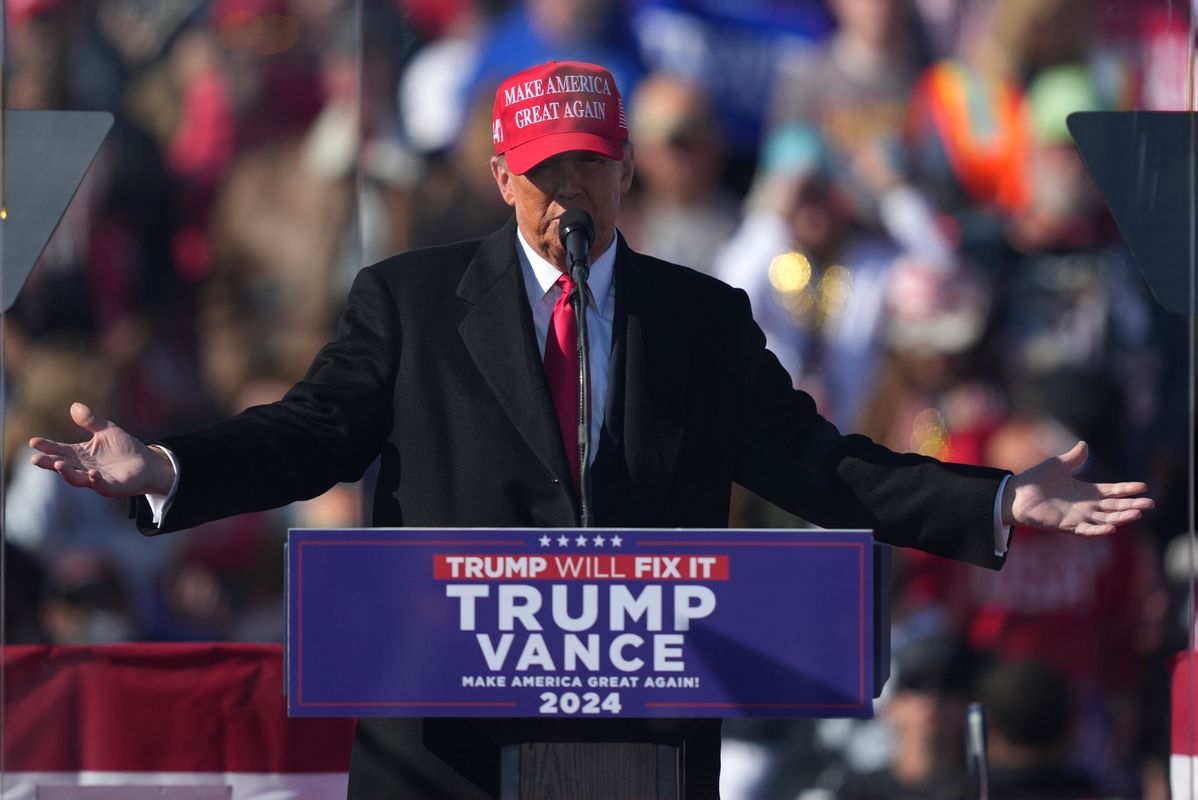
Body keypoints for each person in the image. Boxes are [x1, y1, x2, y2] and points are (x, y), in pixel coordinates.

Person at [29, 60, 1153, 800]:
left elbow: (817, 464)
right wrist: (167, 464)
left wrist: (995, 497)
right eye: (545, 167)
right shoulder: (408, 300)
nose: (569, 189)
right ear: (499, 172)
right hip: (444, 730)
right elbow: (311, 432)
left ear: (624, 167)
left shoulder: (700, 319)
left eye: (589, 163)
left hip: (635, 730)